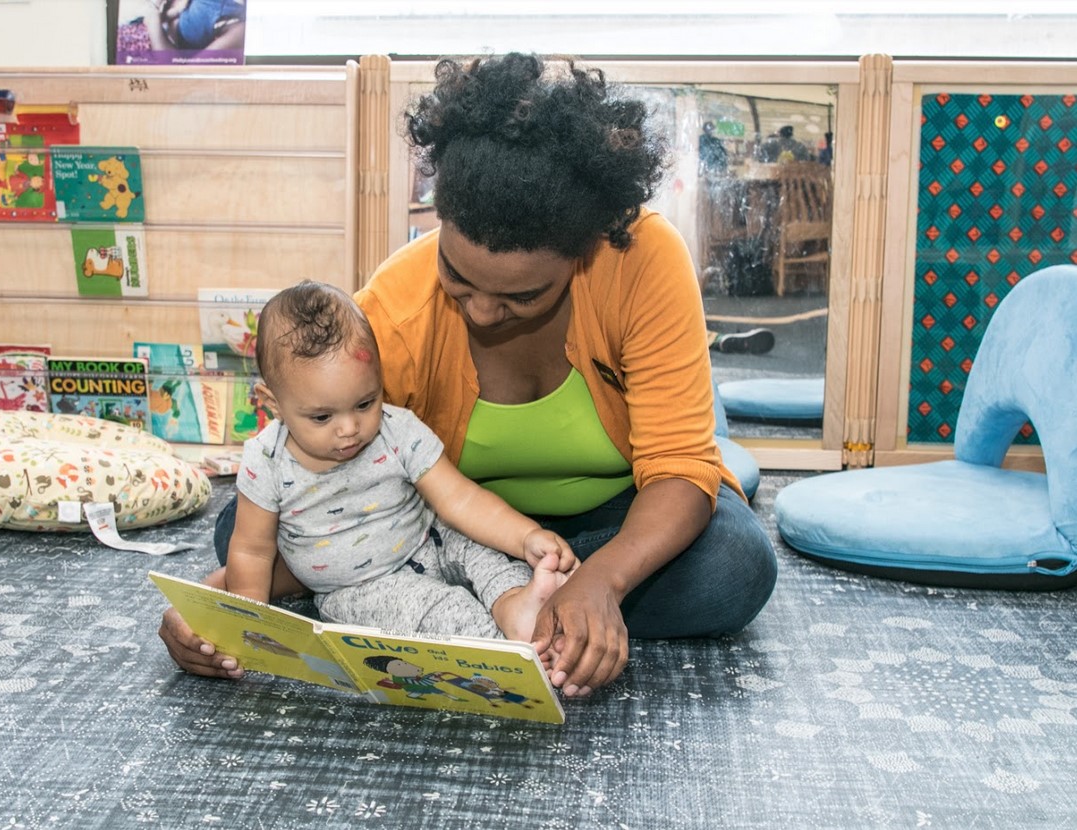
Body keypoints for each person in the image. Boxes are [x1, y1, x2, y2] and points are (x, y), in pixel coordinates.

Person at [161, 52, 777, 698]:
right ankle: (527, 606)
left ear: (581, 249)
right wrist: (215, 606)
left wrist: (604, 579)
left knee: (733, 566)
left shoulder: (639, 258)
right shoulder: (395, 309)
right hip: (444, 520)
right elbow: (333, 486)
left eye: (522, 296)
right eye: (458, 278)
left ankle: (520, 601)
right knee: (243, 526)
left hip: (610, 515)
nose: (482, 311)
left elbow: (679, 465)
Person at [219, 281, 578, 653]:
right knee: (436, 610)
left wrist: (525, 536)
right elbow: (252, 551)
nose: (349, 429)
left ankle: (515, 603)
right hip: (359, 588)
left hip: (428, 541)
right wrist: (248, 623)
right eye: (323, 417)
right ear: (272, 403)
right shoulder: (266, 462)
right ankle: (503, 650)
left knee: (483, 549)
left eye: (365, 403)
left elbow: (461, 499)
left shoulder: (396, 428)